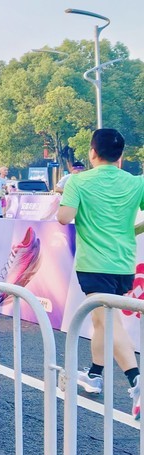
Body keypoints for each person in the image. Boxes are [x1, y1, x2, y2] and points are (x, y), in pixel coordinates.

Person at [58, 128, 144, 419]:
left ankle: (136, 379)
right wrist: (132, 229)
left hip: (94, 263)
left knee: (108, 320)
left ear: (92, 152)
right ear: (121, 155)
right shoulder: (137, 182)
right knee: (101, 320)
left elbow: (64, 217)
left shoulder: (78, 181)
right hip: (124, 263)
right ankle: (95, 375)